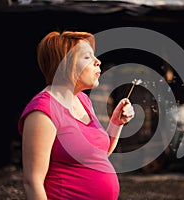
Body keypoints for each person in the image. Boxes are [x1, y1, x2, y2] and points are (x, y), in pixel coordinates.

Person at [18, 30, 135, 199]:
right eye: (88, 57)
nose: (98, 61)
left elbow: (94, 157)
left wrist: (116, 123)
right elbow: (32, 182)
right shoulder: (42, 111)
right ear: (65, 64)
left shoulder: (83, 101)